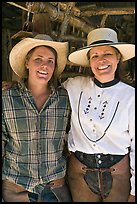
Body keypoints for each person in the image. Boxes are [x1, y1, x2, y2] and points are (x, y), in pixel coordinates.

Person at [62, 27, 135, 202]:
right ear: (89, 61)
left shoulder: (131, 96)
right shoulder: (72, 86)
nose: (101, 60)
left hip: (118, 172)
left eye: (107, 54)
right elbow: (44, 91)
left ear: (118, 57)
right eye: (95, 56)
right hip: (80, 172)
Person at [2, 34, 72, 202]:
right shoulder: (7, 98)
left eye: (50, 61)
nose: (44, 66)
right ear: (27, 63)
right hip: (16, 187)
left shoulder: (65, 98)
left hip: (55, 189)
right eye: (38, 59)